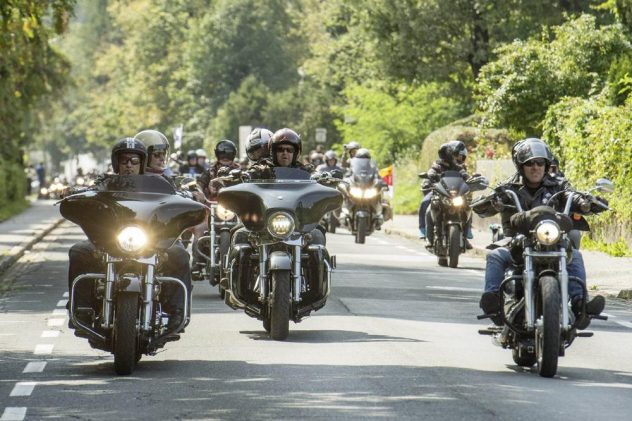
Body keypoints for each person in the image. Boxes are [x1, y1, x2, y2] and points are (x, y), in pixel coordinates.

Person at [472, 138, 605, 329]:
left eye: (540, 163)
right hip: (517, 242)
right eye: (530, 163)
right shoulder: (509, 188)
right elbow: (482, 208)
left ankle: (580, 305)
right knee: (495, 255)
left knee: (575, 255)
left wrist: (584, 202)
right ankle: (493, 303)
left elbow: (570, 195)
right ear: (521, 166)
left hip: (552, 241)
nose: (535, 167)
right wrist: (493, 202)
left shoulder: (558, 186)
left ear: (546, 165)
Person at [67, 137, 191, 331]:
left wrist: (188, 194)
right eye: (124, 160)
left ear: (142, 163)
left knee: (179, 254)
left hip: (150, 239)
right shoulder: (105, 183)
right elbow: (90, 192)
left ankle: (178, 312)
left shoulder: (159, 183)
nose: (129, 165)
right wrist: (74, 192)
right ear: (116, 163)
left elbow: (175, 193)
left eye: (134, 161)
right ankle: (81, 309)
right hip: (111, 239)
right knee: (79, 251)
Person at [421, 141, 472, 247]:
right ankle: (428, 237)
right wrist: (428, 179)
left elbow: (464, 174)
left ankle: (465, 236)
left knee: (467, 207)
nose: (457, 157)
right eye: (456, 155)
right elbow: (431, 172)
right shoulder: (437, 165)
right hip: (440, 193)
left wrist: (471, 179)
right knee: (428, 208)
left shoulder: (457, 167)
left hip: (455, 194)